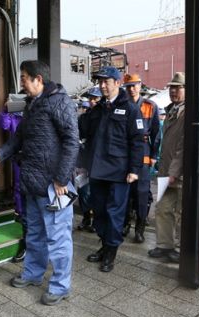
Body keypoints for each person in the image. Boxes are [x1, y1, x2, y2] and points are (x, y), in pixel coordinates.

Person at [0, 60, 79, 306]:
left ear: (38, 79)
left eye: (24, 77)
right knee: (35, 233)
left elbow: (72, 141)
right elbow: (18, 139)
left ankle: (61, 285)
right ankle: (32, 273)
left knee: (58, 238)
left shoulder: (60, 101)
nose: (21, 81)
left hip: (54, 185)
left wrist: (62, 178)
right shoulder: (31, 104)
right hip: (33, 183)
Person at [83, 66, 145, 272]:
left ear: (117, 83)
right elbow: (84, 132)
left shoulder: (130, 108)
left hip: (119, 172)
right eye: (100, 82)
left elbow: (137, 141)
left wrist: (134, 169)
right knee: (99, 211)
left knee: (114, 213)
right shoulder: (98, 108)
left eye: (106, 82)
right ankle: (104, 244)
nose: (102, 86)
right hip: (97, 170)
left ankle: (111, 252)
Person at [148, 72, 185, 264]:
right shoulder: (171, 111)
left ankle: (179, 249)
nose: (173, 91)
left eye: (178, 87)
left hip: (179, 174)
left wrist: (173, 172)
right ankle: (164, 245)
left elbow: (184, 146)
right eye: (171, 87)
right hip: (166, 171)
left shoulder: (189, 112)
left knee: (180, 213)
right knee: (162, 209)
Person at [121, 74, 160, 243]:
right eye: (128, 86)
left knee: (142, 194)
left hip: (143, 152)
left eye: (134, 85)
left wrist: (153, 155)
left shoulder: (150, 106)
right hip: (124, 153)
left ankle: (140, 228)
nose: (131, 89)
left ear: (139, 85)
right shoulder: (122, 104)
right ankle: (125, 224)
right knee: (125, 193)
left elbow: (157, 133)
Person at [0, 103, 27, 262]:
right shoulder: (14, 115)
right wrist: (5, 110)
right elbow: (4, 125)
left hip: (33, 157)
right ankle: (19, 212)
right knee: (18, 185)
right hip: (17, 156)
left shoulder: (35, 113)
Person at [77, 86, 102, 232]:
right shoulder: (83, 118)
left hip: (100, 160)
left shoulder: (104, 116)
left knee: (96, 192)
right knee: (83, 189)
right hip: (85, 158)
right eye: (91, 98)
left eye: (95, 98)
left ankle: (95, 220)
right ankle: (86, 218)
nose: (92, 101)